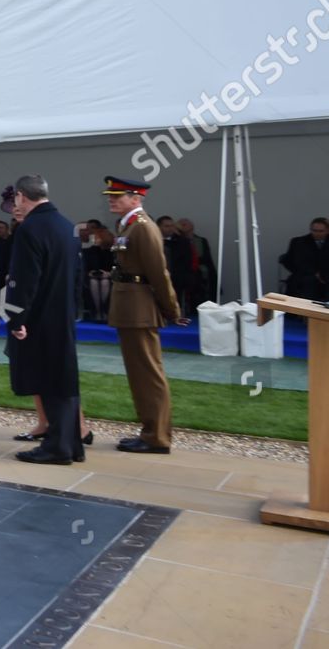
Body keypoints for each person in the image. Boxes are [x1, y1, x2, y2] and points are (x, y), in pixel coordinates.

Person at [4, 175, 85, 465]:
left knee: (49, 382)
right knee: (63, 379)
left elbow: (24, 280)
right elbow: (78, 277)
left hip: (39, 316)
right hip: (63, 313)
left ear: (22, 197)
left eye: (16, 199)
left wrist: (16, 318)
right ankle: (70, 444)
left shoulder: (30, 229)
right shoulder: (67, 226)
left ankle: (57, 448)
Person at [105, 175, 181, 455]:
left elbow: (158, 273)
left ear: (136, 199)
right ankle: (150, 431)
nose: (112, 200)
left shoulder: (143, 228)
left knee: (148, 374)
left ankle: (157, 436)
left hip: (140, 309)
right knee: (139, 375)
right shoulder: (128, 225)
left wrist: (171, 308)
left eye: (118, 196)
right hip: (129, 308)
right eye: (111, 196)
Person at [278, 218, 329, 299]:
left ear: (328, 230)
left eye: (321, 231)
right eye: (314, 230)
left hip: (328, 278)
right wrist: (314, 273)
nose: (317, 233)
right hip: (305, 278)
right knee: (307, 283)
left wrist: (324, 274)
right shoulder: (299, 242)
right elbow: (294, 262)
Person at [175, 217, 217, 310]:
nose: (183, 226)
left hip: (200, 276)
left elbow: (208, 260)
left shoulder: (201, 241)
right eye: (181, 224)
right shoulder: (175, 241)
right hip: (183, 274)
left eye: (185, 224)